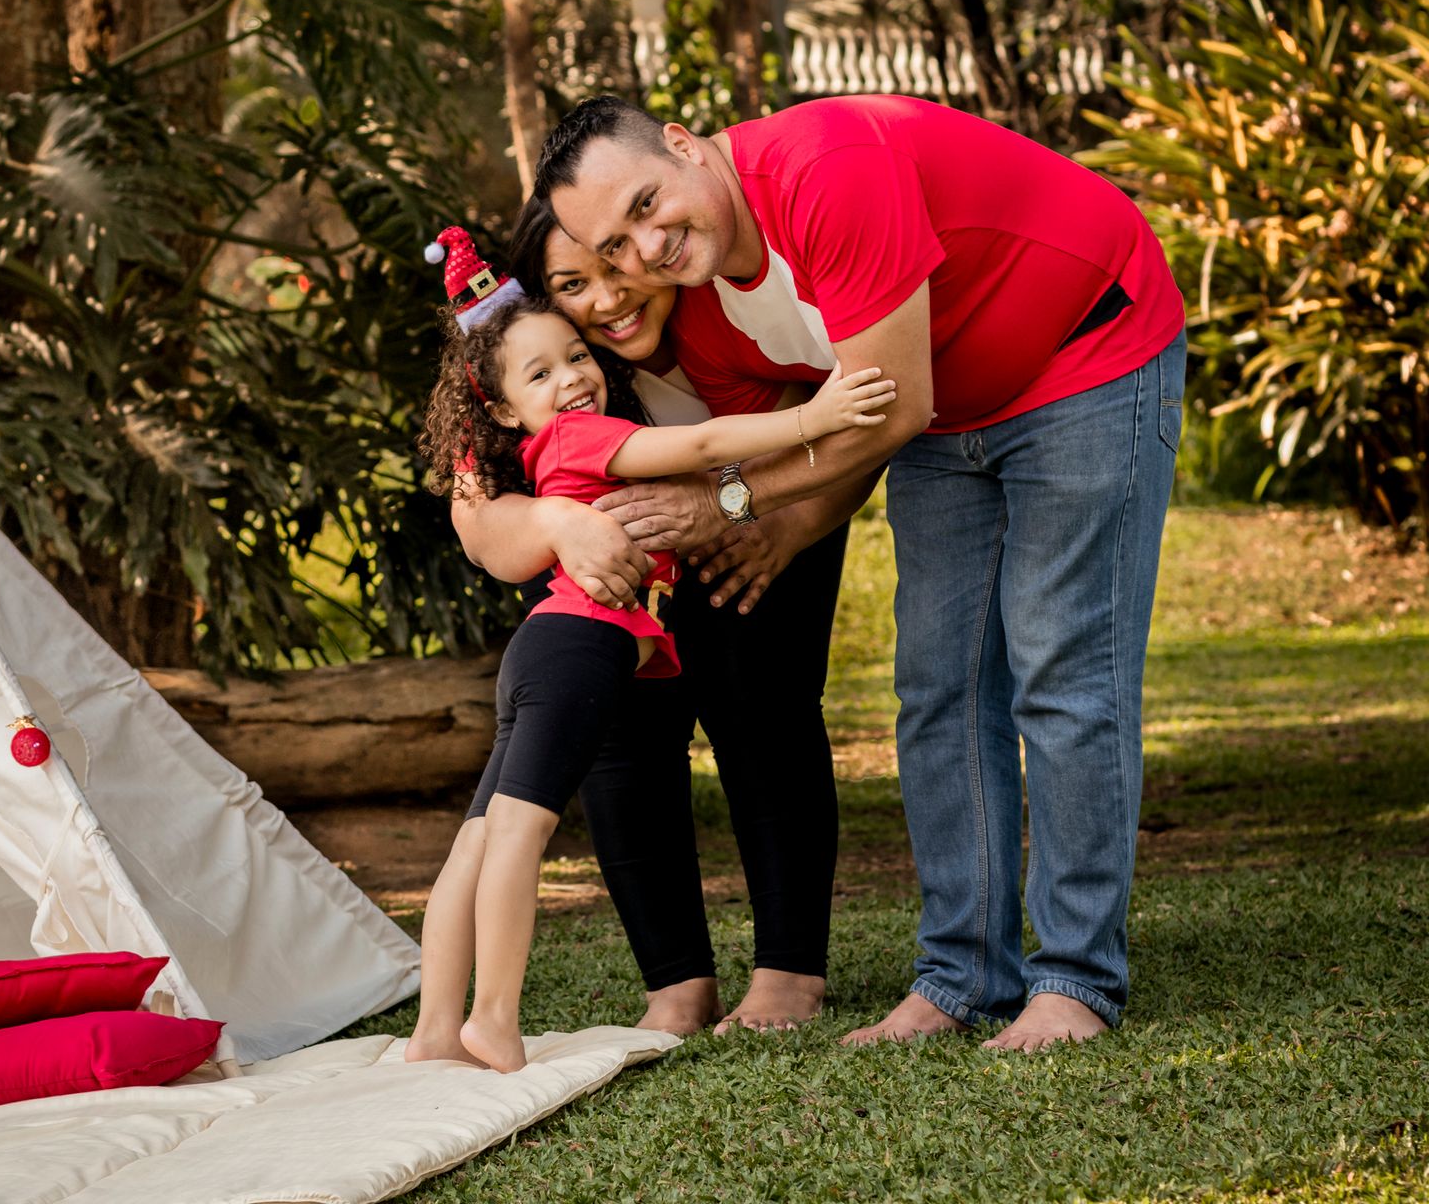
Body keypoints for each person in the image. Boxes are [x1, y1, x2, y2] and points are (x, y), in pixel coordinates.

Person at [537, 94, 1187, 1052]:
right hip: (945, 416)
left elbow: (888, 409)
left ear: (683, 146)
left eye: (645, 205)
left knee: (1062, 673)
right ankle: (962, 977)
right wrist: (768, 518)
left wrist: (726, 506)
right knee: (937, 688)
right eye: (614, 246)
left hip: (1086, 352)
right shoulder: (708, 315)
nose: (645, 248)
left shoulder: (821, 170)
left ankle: (1074, 980)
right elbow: (815, 443)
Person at [406, 286, 893, 1072]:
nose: (572, 374)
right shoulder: (586, 434)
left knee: (480, 836)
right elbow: (703, 446)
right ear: (499, 406)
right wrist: (814, 418)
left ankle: (435, 1030)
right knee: (520, 836)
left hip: (545, 645)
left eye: (576, 357)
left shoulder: (534, 447)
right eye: (541, 372)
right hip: (581, 650)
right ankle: (491, 1018)